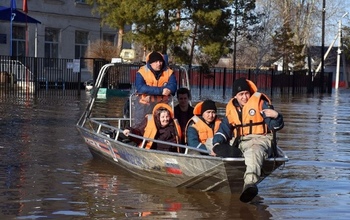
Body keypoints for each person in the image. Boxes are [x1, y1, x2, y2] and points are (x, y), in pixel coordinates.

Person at [212, 77, 284, 203]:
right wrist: (216, 144)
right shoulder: (232, 109)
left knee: (254, 151)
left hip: (260, 139)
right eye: (241, 94)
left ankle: (249, 184)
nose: (244, 97)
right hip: (241, 141)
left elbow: (275, 126)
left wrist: (277, 116)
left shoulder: (260, 103)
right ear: (235, 96)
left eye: (246, 93)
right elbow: (223, 129)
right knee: (211, 142)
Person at [132, 51, 177, 124]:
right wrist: (161, 91)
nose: (159, 64)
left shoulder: (169, 72)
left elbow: (173, 86)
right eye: (156, 62)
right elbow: (141, 88)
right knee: (140, 125)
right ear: (150, 63)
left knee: (164, 125)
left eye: (160, 61)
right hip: (144, 105)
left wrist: (169, 89)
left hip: (162, 105)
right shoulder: (142, 72)